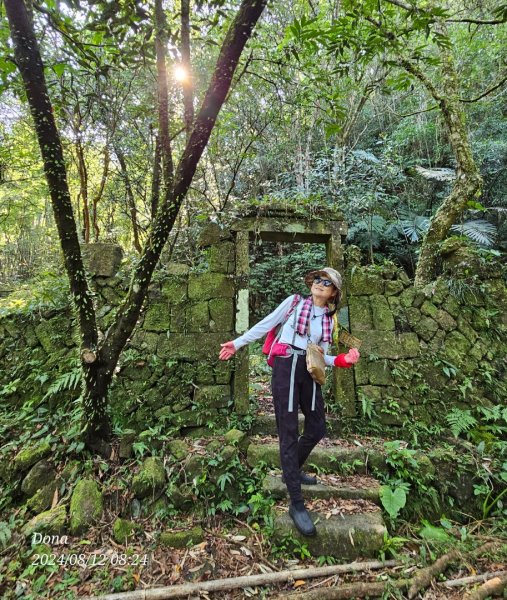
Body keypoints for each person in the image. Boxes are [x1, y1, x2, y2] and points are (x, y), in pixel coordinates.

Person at [219, 267, 360, 536]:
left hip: (308, 371)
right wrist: (237, 344)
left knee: (317, 427)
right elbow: (266, 324)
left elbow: (323, 357)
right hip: (286, 367)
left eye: (326, 282)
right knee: (288, 431)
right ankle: (296, 503)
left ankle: (290, 470)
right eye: (317, 279)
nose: (319, 284)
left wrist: (343, 360)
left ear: (333, 293)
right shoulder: (295, 303)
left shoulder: (330, 320)